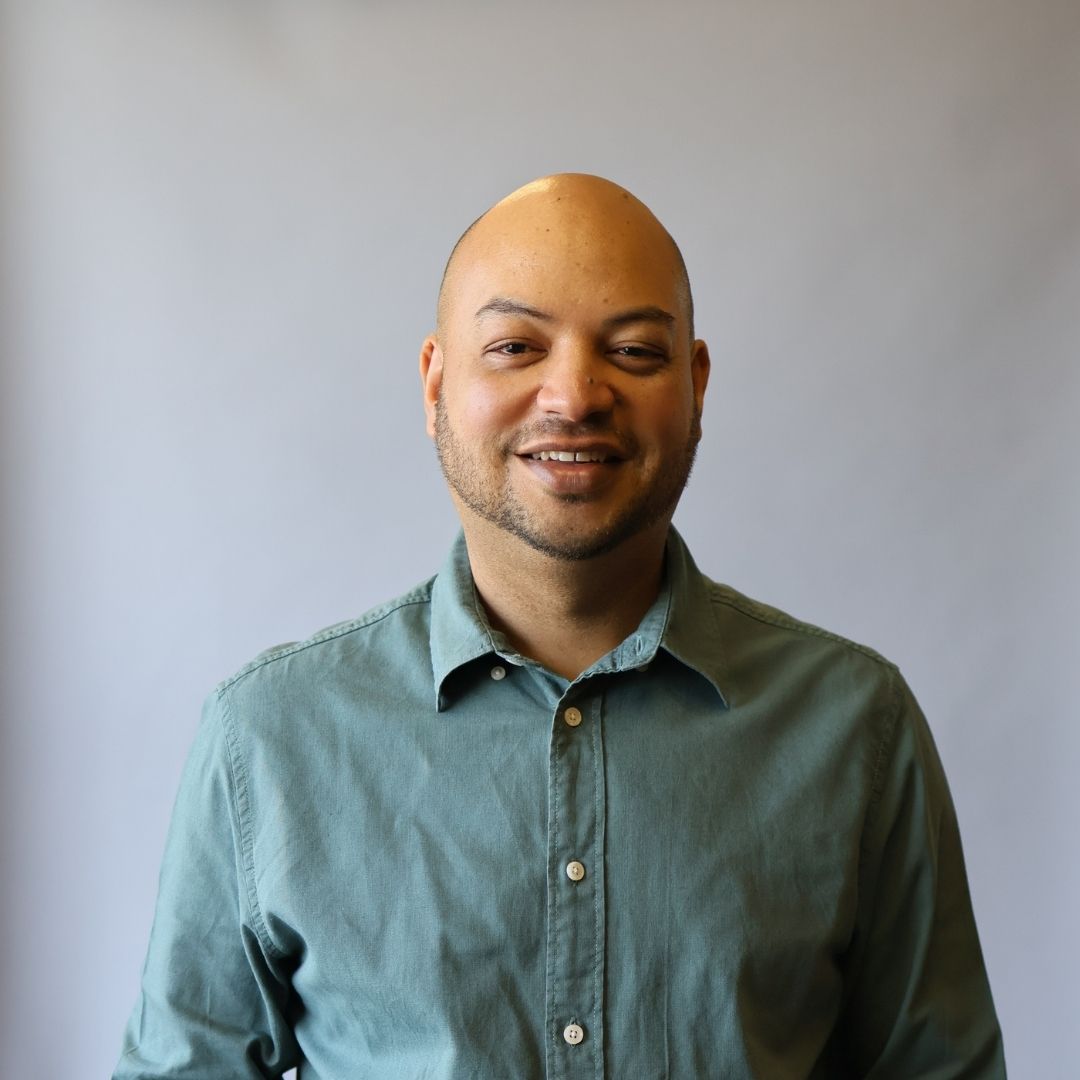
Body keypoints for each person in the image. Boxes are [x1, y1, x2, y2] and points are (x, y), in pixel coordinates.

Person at [115, 174, 1005, 1078]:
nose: (574, 396)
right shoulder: (267, 738)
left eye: (634, 351)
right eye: (515, 346)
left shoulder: (857, 725)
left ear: (695, 386)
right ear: (436, 383)